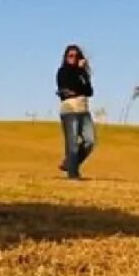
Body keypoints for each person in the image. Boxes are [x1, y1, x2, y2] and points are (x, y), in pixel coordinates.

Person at [56, 44, 96, 179]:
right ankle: (73, 174)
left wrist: (82, 72)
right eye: (70, 56)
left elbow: (89, 91)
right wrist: (75, 90)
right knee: (72, 144)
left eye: (76, 56)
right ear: (66, 57)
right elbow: (69, 86)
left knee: (90, 141)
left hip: (83, 109)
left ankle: (69, 163)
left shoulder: (82, 73)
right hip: (69, 110)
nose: (73, 58)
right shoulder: (63, 71)